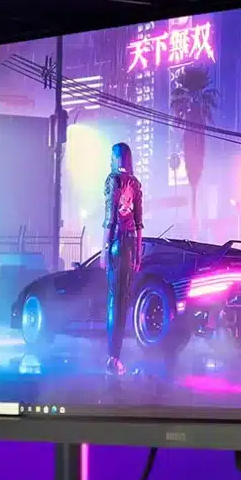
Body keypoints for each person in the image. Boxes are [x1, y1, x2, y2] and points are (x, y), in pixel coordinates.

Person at [101, 142, 143, 375]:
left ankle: (112, 358)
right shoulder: (135, 184)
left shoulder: (113, 180)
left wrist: (104, 249)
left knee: (113, 302)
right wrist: (138, 253)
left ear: (117, 158)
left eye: (112, 156)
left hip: (116, 244)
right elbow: (138, 224)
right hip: (129, 247)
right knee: (122, 303)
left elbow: (110, 219)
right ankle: (115, 358)